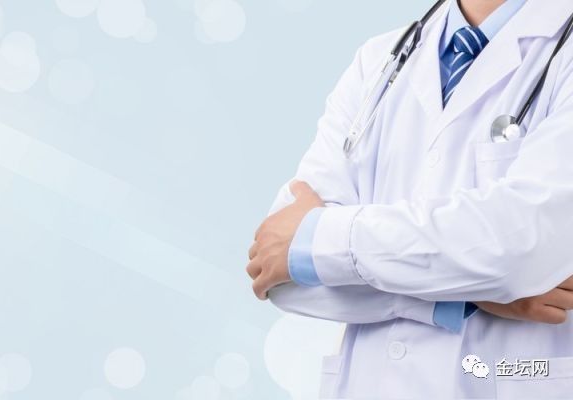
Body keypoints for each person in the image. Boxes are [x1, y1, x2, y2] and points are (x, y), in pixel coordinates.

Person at [246, 0, 573, 398]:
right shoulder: (377, 59)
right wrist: (463, 297)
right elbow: (279, 272)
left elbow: (516, 249)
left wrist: (321, 244)